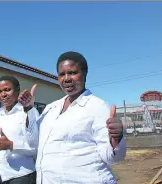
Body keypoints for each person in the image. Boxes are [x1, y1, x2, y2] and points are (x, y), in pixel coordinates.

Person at [18, 51, 126, 184]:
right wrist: (29, 109)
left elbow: (113, 158)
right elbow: (34, 142)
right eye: (62, 74)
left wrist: (116, 139)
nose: (67, 78)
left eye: (73, 73)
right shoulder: (52, 108)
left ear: (85, 74)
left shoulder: (97, 107)